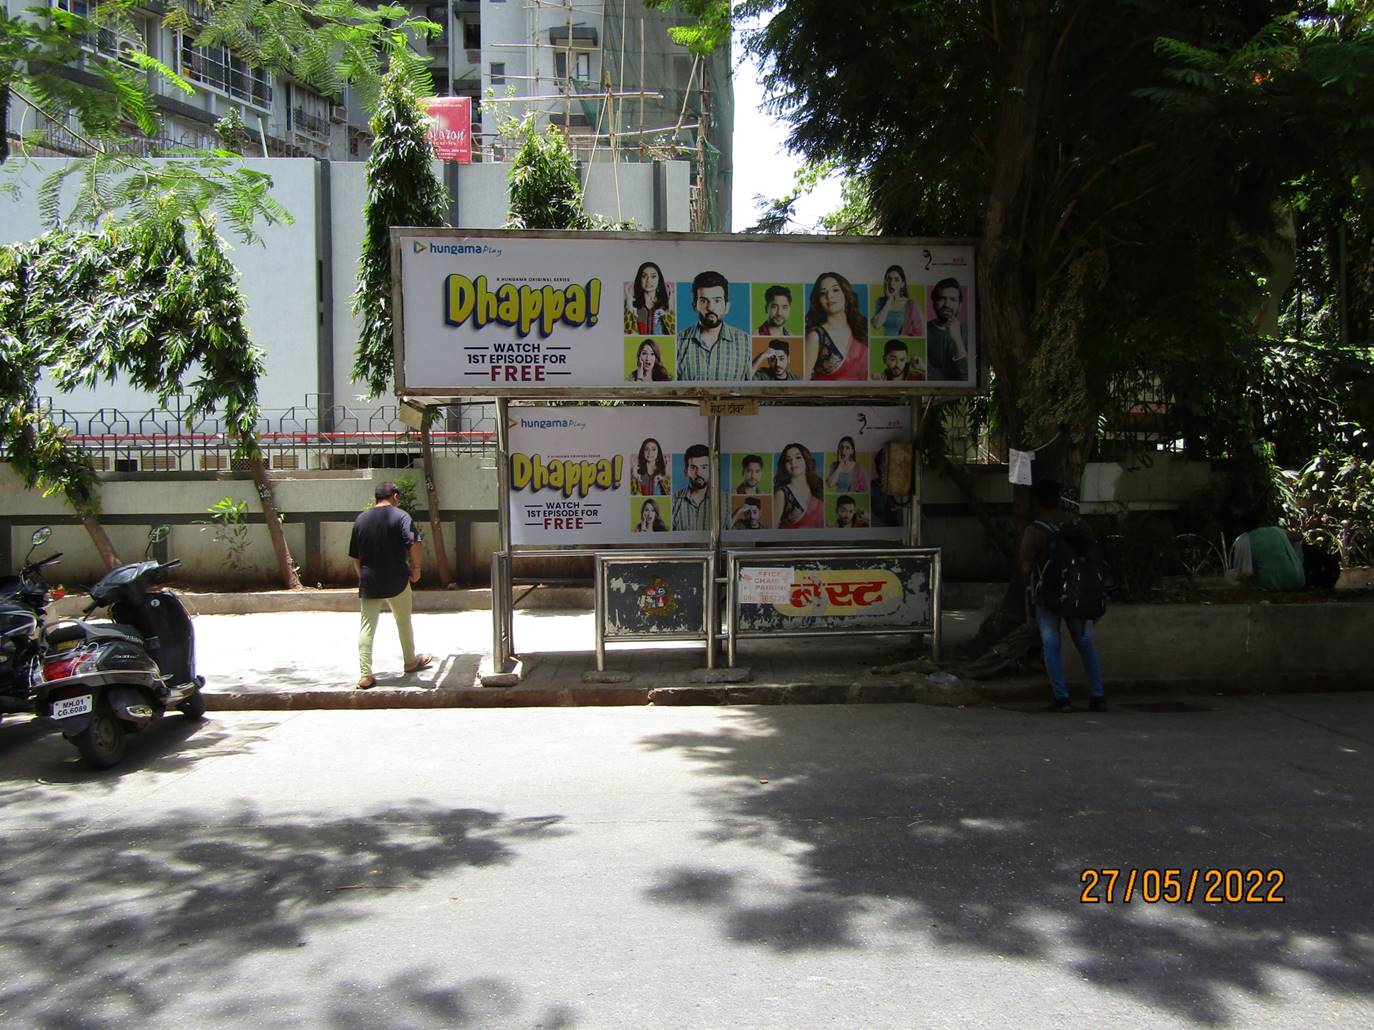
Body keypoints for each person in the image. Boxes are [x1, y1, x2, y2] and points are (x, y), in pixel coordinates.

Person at [1020, 479, 1105, 712]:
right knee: (1085, 642)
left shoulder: (1034, 531)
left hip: (1047, 596)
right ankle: (1098, 695)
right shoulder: (1078, 524)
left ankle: (1062, 697)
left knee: (1051, 643)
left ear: (1037, 502)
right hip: (1078, 593)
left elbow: (1026, 569)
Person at [348, 481, 432, 690]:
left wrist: (363, 577)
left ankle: (365, 674)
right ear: (394, 496)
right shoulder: (401, 516)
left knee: (367, 627)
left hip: (370, 580)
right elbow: (415, 542)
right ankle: (410, 661)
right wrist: (417, 568)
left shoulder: (361, 519)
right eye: (398, 496)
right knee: (403, 621)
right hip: (397, 579)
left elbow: (355, 557)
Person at [675, 271, 752, 381]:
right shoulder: (678, 342)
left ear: (727, 306)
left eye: (717, 300)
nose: (711, 307)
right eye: (704, 301)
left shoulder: (746, 343)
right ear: (694, 306)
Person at [806, 272, 869, 381]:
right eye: (822, 293)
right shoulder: (816, 336)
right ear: (818, 300)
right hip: (825, 397)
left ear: (846, 294)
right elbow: (804, 380)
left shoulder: (862, 328)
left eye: (835, 290)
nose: (829, 296)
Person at [1229, 525, 1306, 592]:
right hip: (1295, 581)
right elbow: (1299, 536)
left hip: (1268, 584)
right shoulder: (1277, 531)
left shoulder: (1243, 540)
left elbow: (1244, 573)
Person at [927, 277, 970, 381]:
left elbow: (966, 377)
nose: (947, 304)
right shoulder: (923, 331)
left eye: (952, 299)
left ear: (960, 305)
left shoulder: (969, 331)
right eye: (942, 298)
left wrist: (958, 340)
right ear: (934, 303)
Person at [773, 442, 824, 529]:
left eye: (798, 457)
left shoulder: (817, 487)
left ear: (806, 460)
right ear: (784, 466)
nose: (793, 462)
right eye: (788, 460)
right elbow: (773, 529)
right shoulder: (782, 494)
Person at [870, 264, 924, 337]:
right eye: (889, 279)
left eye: (896, 280)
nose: (892, 283)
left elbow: (921, 333)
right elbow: (877, 325)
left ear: (902, 284)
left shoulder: (911, 304)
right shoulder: (881, 301)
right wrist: (889, 300)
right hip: (884, 342)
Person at [672, 443, 711, 530]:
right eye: (693, 468)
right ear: (685, 471)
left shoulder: (725, 500)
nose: (698, 473)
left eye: (704, 467)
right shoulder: (673, 501)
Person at [628, 261, 673, 335]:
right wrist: (629, 304)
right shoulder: (635, 306)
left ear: (659, 280)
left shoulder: (665, 305)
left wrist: (671, 305)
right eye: (644, 276)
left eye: (653, 276)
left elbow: (672, 333)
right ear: (639, 279)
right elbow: (629, 332)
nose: (648, 280)